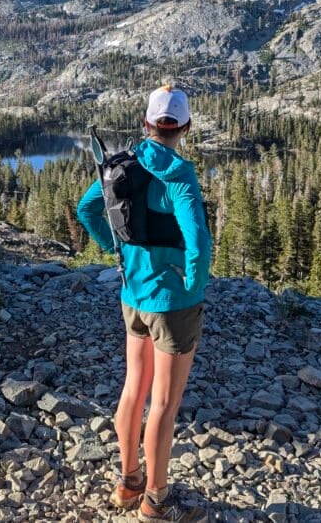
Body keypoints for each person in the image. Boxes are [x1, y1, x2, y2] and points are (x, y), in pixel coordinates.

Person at [77, 85, 212, 523]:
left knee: (134, 389)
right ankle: (156, 501)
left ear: (146, 123)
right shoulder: (179, 175)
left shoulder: (121, 167)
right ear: (185, 127)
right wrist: (192, 285)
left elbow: (88, 210)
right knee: (164, 407)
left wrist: (114, 251)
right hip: (173, 304)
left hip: (132, 296)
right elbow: (198, 243)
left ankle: (129, 480)